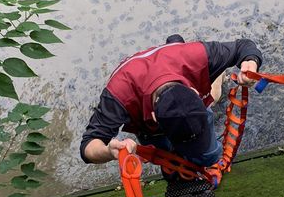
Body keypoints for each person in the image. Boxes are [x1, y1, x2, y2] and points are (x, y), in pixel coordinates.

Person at [80, 34, 263, 169]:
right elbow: (88, 145)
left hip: (179, 61)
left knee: (210, 156)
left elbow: (243, 46)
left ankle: (214, 76)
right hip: (146, 113)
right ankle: (176, 45)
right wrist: (109, 151)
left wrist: (249, 63)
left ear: (194, 91)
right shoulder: (119, 95)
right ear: (154, 117)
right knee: (168, 159)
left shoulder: (198, 55)